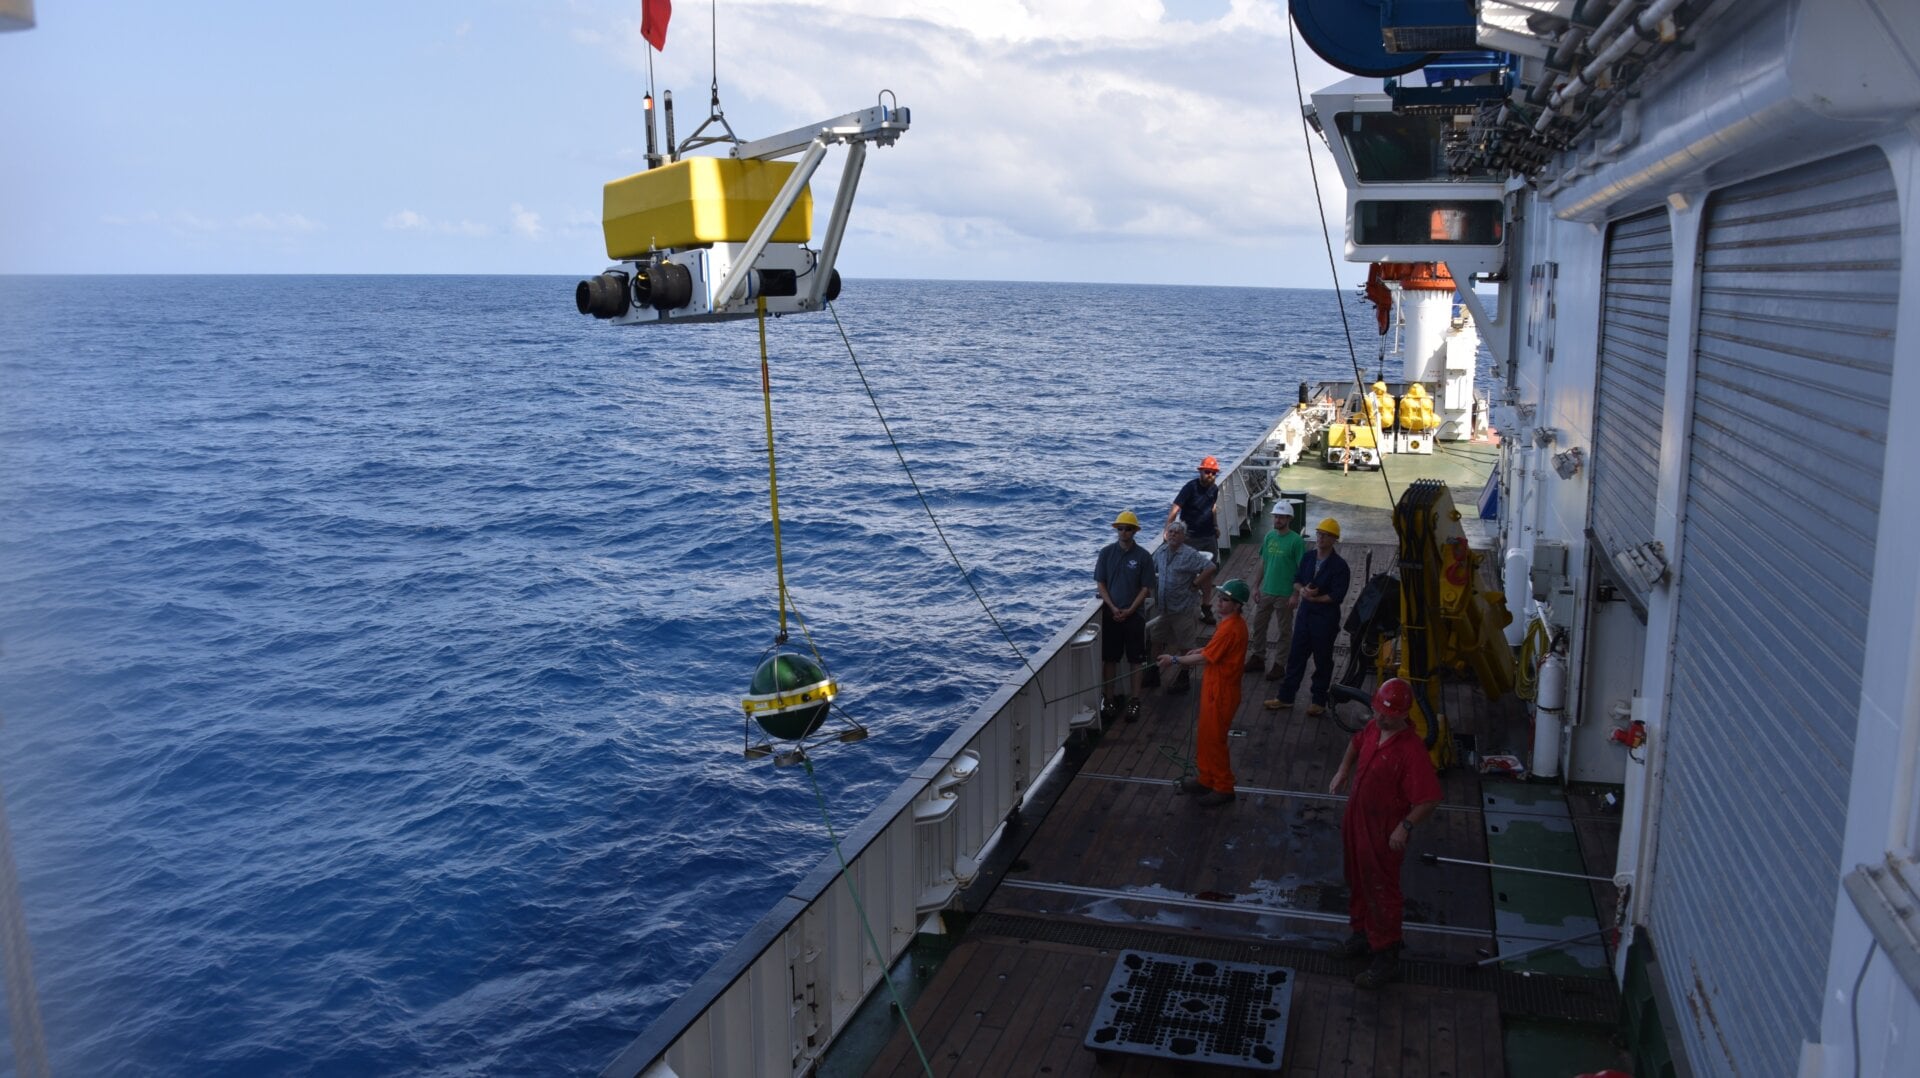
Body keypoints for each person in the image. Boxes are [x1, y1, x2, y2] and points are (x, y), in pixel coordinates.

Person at [1328, 677, 1442, 989]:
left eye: (1386, 714)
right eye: (1377, 711)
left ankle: (1386, 955)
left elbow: (1429, 798)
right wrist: (1342, 771)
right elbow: (1355, 745)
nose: (1379, 717)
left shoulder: (1411, 751)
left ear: (1404, 715)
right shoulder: (1374, 729)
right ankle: (1361, 935)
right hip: (1357, 818)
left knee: (1381, 889)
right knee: (1356, 878)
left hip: (1382, 831)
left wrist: (1404, 827)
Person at [1156, 579, 1250, 807]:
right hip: (1214, 689)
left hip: (1222, 692)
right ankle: (1206, 778)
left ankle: (1224, 787)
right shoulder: (1228, 624)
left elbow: (1205, 658)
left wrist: (1174, 659)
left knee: (1215, 740)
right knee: (1206, 736)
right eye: (1219, 597)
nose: (1219, 601)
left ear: (1237, 605)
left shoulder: (1230, 628)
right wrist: (1203, 649)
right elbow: (1212, 651)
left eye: (1225, 599)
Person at [1271, 517, 1350, 715]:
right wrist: (1303, 590)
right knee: (1296, 656)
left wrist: (1316, 598)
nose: (1320, 538)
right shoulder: (1308, 557)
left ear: (1334, 540)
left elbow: (1337, 595)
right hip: (1305, 617)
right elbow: (1296, 580)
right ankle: (1285, 698)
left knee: (1322, 660)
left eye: (1325, 535)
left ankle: (1319, 701)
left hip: (1325, 619)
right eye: (1319, 534)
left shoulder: (1340, 566)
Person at [1095, 510, 1157, 722]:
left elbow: (1146, 587)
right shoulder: (1105, 553)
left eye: (1128, 529)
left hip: (1135, 616)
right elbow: (1101, 584)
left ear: (1135, 532)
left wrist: (1131, 609)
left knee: (1136, 659)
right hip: (1111, 615)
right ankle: (1109, 698)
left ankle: (1135, 700)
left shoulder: (1143, 557)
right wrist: (1112, 607)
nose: (1123, 532)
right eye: (1120, 528)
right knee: (1110, 658)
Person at [1148, 520, 1216, 694]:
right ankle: (1154, 671)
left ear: (1184, 537)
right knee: (1156, 638)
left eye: (1177, 532)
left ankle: (1184, 677)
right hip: (1165, 608)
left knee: (1186, 644)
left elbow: (1210, 567)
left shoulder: (1190, 554)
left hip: (1183, 608)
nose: (1173, 534)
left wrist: (1195, 583)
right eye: (1170, 531)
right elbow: (1150, 571)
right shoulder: (1161, 552)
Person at [1247, 500, 1305, 680]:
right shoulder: (1269, 536)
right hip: (1267, 590)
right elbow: (1263, 562)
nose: (1278, 519)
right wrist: (1256, 586)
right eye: (1276, 516)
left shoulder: (1296, 541)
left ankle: (1280, 664)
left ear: (1289, 519)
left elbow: (1301, 570)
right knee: (1258, 625)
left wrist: (1296, 594)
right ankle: (1258, 657)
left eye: (1281, 517)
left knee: (1284, 631)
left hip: (1285, 593)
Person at [1167, 456, 1222, 620]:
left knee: (1209, 571)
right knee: (1187, 572)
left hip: (1208, 536)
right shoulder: (1190, 488)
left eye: (1213, 473)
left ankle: (1206, 606)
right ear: (1200, 472)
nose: (1210, 475)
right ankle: (1186, 607)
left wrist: (1216, 526)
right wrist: (1168, 529)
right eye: (1207, 472)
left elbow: (1213, 508)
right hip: (1190, 537)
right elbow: (1176, 508)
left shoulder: (1214, 489)